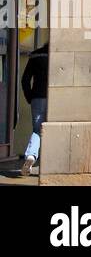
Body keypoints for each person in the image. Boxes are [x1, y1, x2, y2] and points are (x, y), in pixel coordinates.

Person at [20, 44, 49, 176]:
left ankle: (31, 155)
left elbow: (25, 79)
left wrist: (30, 96)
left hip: (37, 97)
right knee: (54, 130)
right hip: (55, 98)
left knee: (37, 129)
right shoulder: (60, 55)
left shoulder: (35, 56)